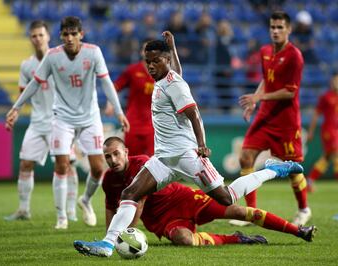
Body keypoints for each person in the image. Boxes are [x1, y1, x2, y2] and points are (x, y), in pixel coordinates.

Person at [73, 31, 306, 257]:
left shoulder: (174, 85)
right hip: (164, 159)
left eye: (155, 61)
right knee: (130, 192)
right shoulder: (166, 78)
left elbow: (194, 113)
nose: (150, 66)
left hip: (187, 156)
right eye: (147, 61)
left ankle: (272, 170)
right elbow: (178, 71)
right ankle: (107, 244)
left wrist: (202, 145)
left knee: (226, 198)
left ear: (166, 61)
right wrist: (172, 47)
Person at [5, 16, 130, 229]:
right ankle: (61, 216)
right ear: (61, 36)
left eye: (74, 34)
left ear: (81, 34)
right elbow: (35, 84)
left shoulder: (93, 52)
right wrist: (16, 107)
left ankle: (86, 200)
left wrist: (118, 112)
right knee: (61, 165)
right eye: (66, 34)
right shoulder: (53, 56)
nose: (70, 38)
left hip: (90, 117)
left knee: (98, 168)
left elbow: (107, 83)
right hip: (62, 118)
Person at [101, 136, 315, 247]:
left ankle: (298, 231)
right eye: (108, 157)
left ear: (126, 152)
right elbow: (111, 208)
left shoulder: (142, 164)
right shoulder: (109, 180)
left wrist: (118, 238)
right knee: (185, 239)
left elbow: (138, 204)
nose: (113, 160)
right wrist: (109, 233)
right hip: (161, 221)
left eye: (116, 154)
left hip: (182, 198)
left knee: (239, 210)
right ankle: (236, 239)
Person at [235, 11, 311, 227]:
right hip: (265, 117)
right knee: (246, 157)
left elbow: (290, 92)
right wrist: (255, 102)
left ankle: (304, 209)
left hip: (286, 122)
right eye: (272, 27)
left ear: (289, 30)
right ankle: (251, 212)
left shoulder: (295, 56)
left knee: (293, 168)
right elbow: (266, 80)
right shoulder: (265, 51)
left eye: (280, 27)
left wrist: (259, 96)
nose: (275, 31)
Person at [3, 20, 79, 223]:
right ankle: (23, 209)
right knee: (25, 164)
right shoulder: (27, 66)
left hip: (60, 122)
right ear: (30, 38)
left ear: (48, 37)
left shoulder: (60, 60)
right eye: (34, 35)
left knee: (67, 166)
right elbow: (23, 94)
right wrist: (15, 112)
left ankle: (70, 211)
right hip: (37, 122)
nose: (37, 39)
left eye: (41, 35)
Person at [105, 40, 155, 157]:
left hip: (154, 126)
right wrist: (110, 103)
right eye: (145, 49)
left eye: (152, 50)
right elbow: (115, 87)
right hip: (132, 124)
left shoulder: (163, 74)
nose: (148, 52)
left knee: (154, 163)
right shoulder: (132, 70)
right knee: (131, 160)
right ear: (141, 52)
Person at [306, 72, 338, 192]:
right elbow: (316, 114)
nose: (336, 83)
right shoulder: (326, 97)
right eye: (334, 81)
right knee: (336, 154)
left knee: (327, 158)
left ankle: (309, 181)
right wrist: (310, 131)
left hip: (337, 131)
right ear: (331, 82)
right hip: (329, 131)